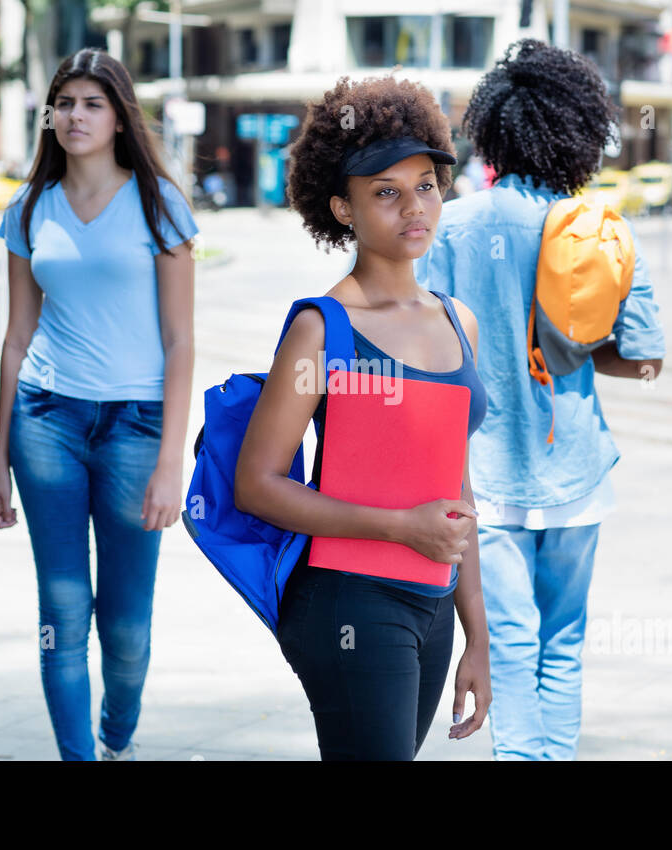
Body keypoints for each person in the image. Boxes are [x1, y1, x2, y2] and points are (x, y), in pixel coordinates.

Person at [416, 39, 667, 760]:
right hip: (579, 472)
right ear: (581, 133)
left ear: (491, 130)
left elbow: (404, 334)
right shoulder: (605, 232)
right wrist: (575, 349)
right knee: (564, 642)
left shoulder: (449, 226)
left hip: (481, 476)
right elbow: (646, 356)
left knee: (508, 643)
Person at [233, 75, 491, 761]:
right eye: (386, 191)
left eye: (427, 184)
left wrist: (479, 638)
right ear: (343, 207)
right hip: (351, 601)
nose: (415, 206)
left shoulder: (458, 320)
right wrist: (401, 527)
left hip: (432, 603)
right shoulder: (324, 329)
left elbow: (458, 490)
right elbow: (256, 484)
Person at [0, 48, 197, 762]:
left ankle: (117, 737)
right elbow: (13, 340)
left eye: (92, 103)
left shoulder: (159, 203)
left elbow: (180, 342)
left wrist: (173, 463)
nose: (75, 116)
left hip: (136, 430)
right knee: (63, 608)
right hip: (45, 422)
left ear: (118, 117)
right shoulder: (27, 209)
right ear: (49, 115)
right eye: (65, 103)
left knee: (127, 629)